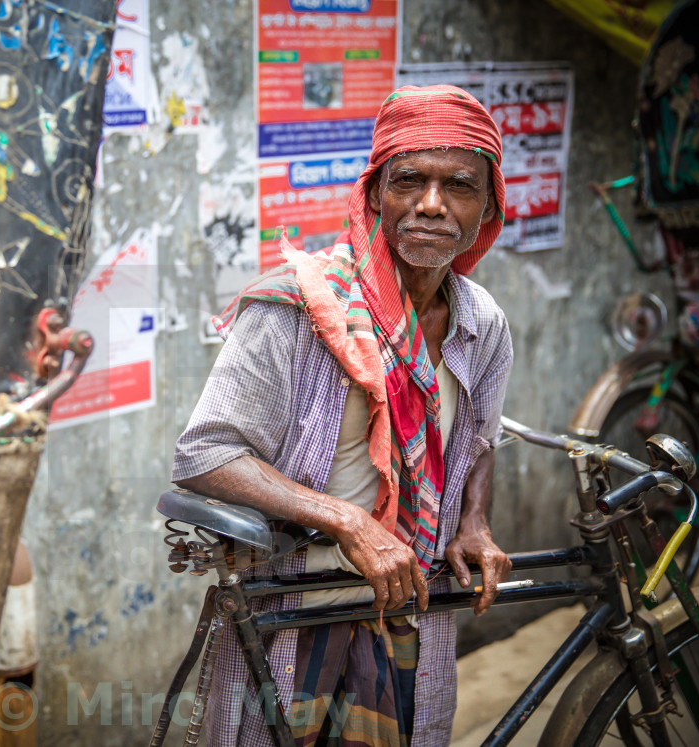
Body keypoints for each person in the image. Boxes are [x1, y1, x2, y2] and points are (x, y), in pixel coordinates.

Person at [172, 85, 514, 747]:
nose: (432, 204)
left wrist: (473, 519)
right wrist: (349, 520)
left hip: (411, 607)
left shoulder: (483, 324)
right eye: (409, 180)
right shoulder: (297, 310)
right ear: (374, 193)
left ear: (490, 205)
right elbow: (204, 454)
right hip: (297, 612)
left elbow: (479, 437)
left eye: (460, 186)